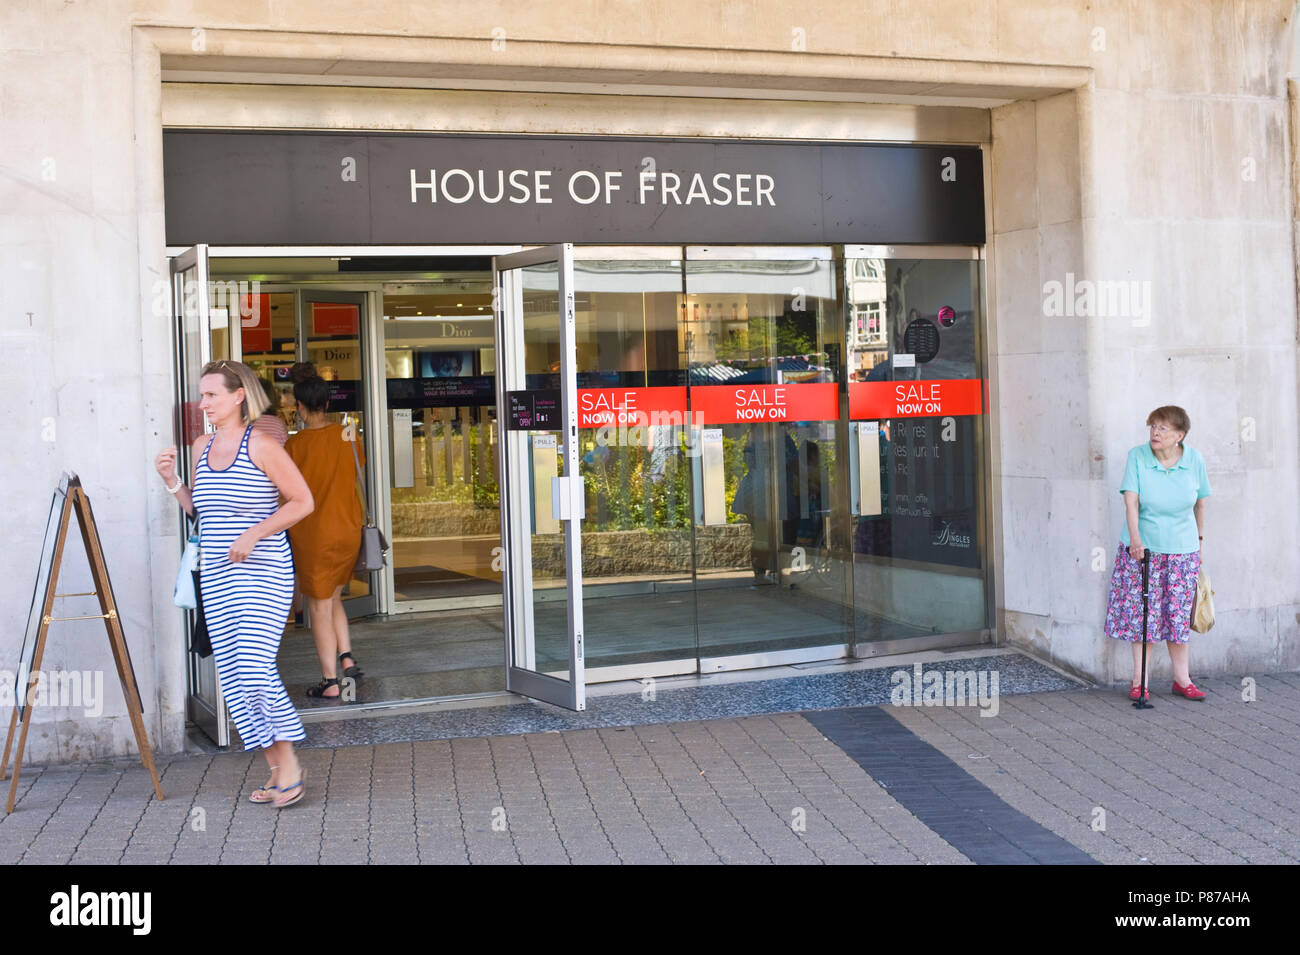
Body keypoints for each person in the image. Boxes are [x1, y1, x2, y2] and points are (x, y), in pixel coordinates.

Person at [154, 359, 314, 807]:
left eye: (211, 395)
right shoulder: (203, 445)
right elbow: (201, 514)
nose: (202, 403)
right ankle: (276, 771)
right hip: (220, 578)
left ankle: (292, 766)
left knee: (255, 669)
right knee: (234, 678)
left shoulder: (262, 445)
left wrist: (255, 532)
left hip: (264, 573)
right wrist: (172, 482)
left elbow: (303, 501)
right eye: (202, 396)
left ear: (238, 396)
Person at [1104, 405, 1211, 701]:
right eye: (1153, 426)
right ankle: (1140, 681)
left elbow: (1200, 503)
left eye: (1163, 428)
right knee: (1143, 616)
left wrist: (1199, 543)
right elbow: (1131, 502)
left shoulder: (1194, 460)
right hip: (1143, 551)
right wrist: (1135, 540)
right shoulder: (1137, 456)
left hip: (1182, 550)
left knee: (1177, 616)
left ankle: (1182, 680)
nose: (1155, 432)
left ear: (1180, 435)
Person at [284, 367, 365, 699]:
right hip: (347, 528)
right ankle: (346, 659)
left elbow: (285, 492)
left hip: (314, 534)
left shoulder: (296, 445)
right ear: (328, 404)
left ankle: (330, 682)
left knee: (317, 606)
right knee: (332, 596)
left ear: (301, 408)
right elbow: (356, 471)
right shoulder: (348, 435)